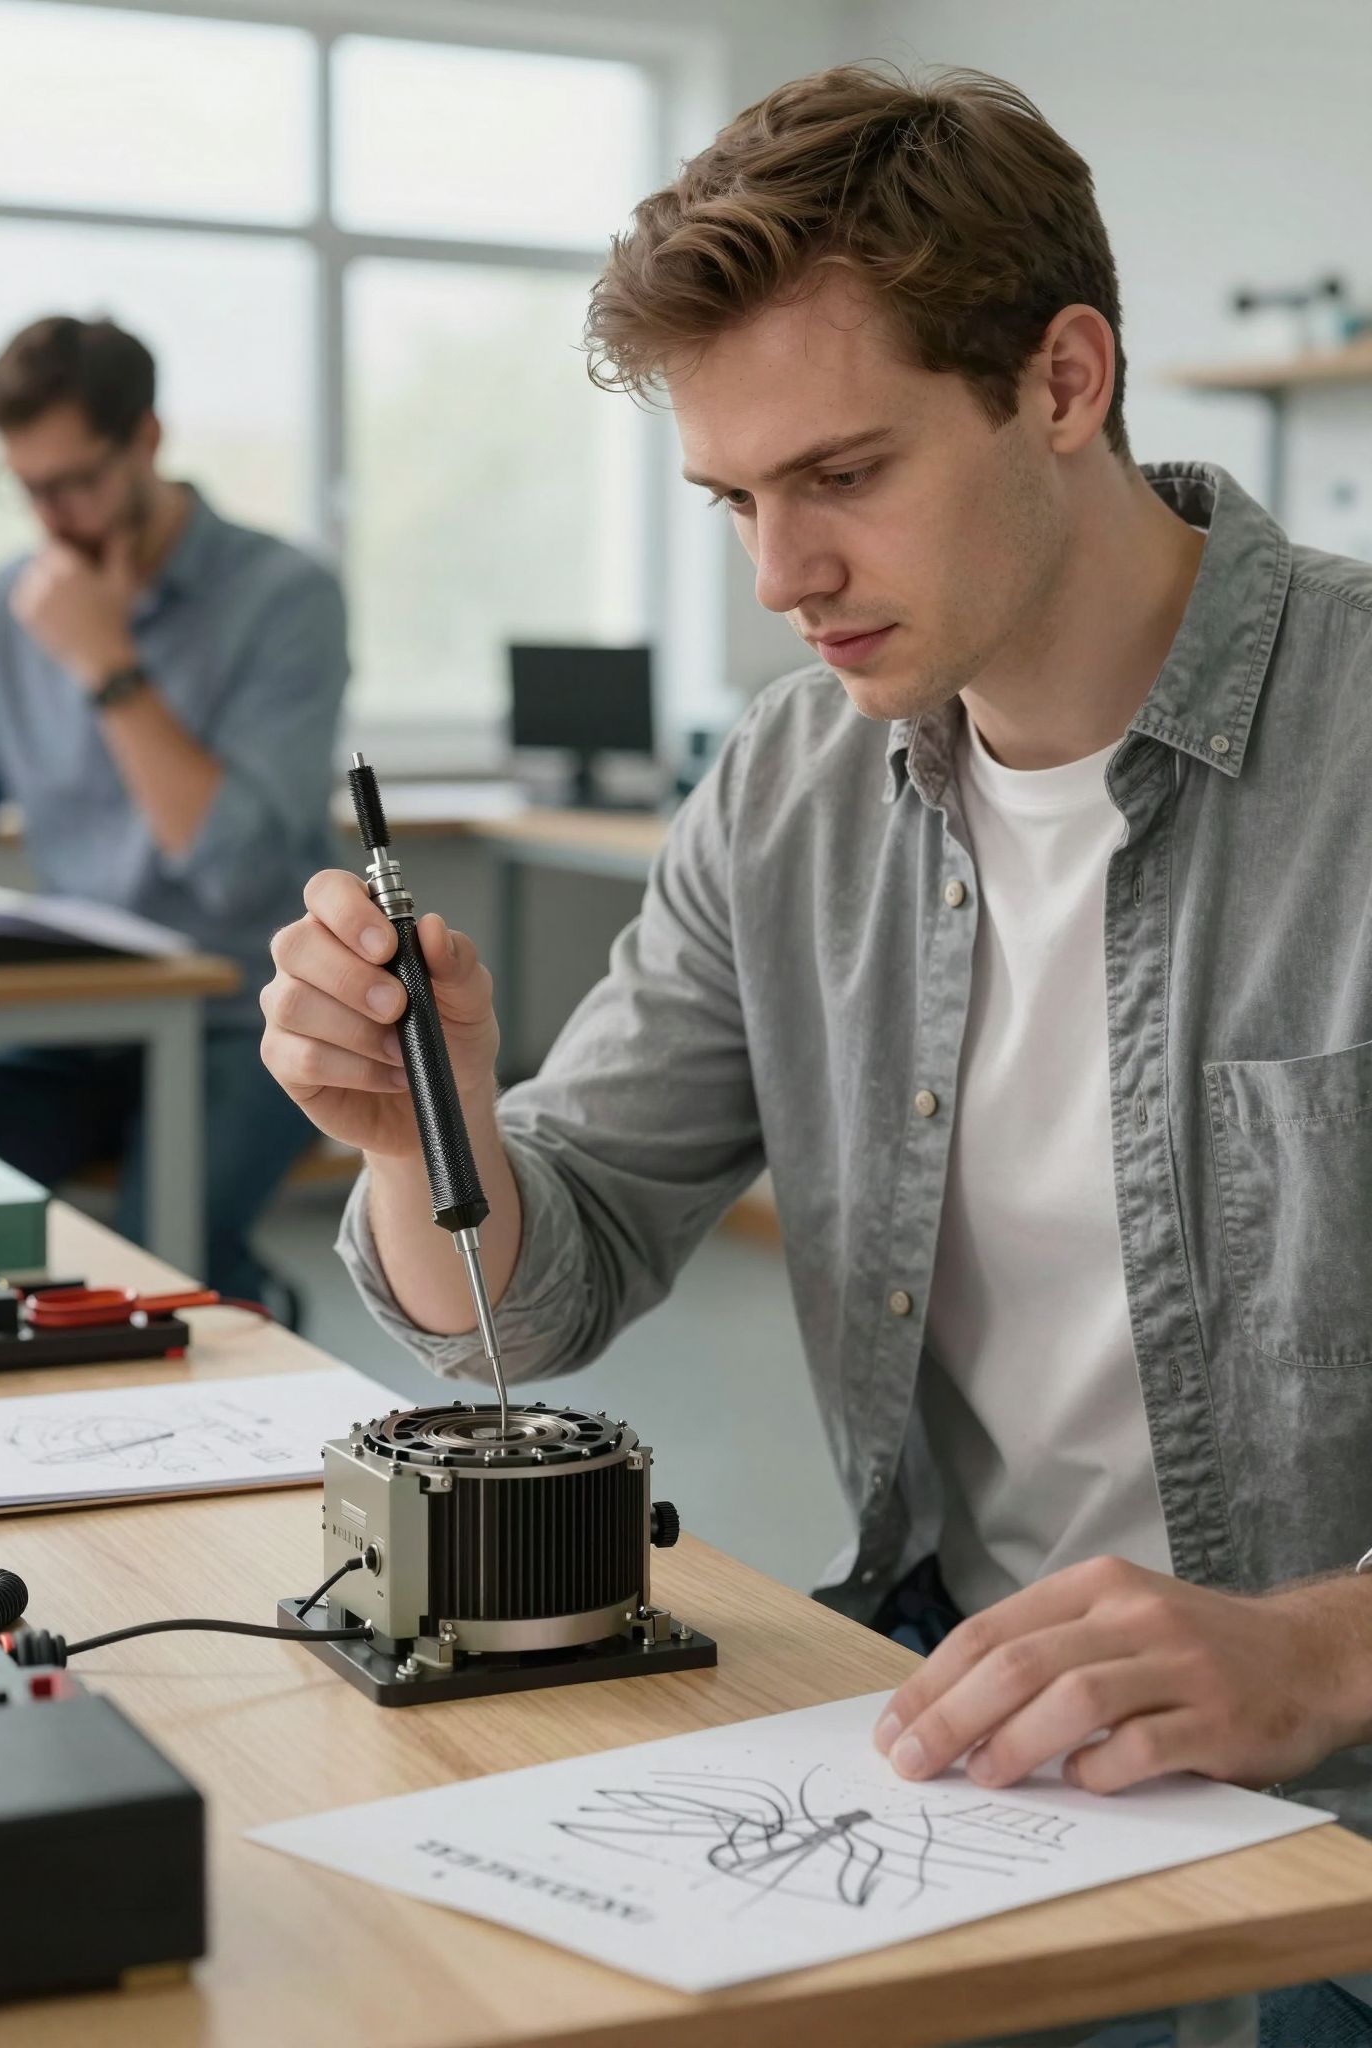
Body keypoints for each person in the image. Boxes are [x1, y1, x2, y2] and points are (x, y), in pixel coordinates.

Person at [258, 67, 1372, 2041]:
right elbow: (555, 1263)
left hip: (1325, 1813)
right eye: (735, 500)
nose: (778, 578)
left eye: (842, 476)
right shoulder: (793, 779)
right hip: (962, 1738)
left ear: (1063, 380)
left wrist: (1319, 1654)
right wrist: (403, 1128)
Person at [0, 315, 345, 1313]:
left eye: (75, 482)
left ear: (147, 442)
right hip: (84, 1023)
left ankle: (243, 1298)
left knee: (145, 1265)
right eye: (28, 488)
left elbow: (232, 867)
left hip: (250, 1019)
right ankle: (237, 1289)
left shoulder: (285, 596)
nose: (53, 517)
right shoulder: (13, 604)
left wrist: (104, 664)